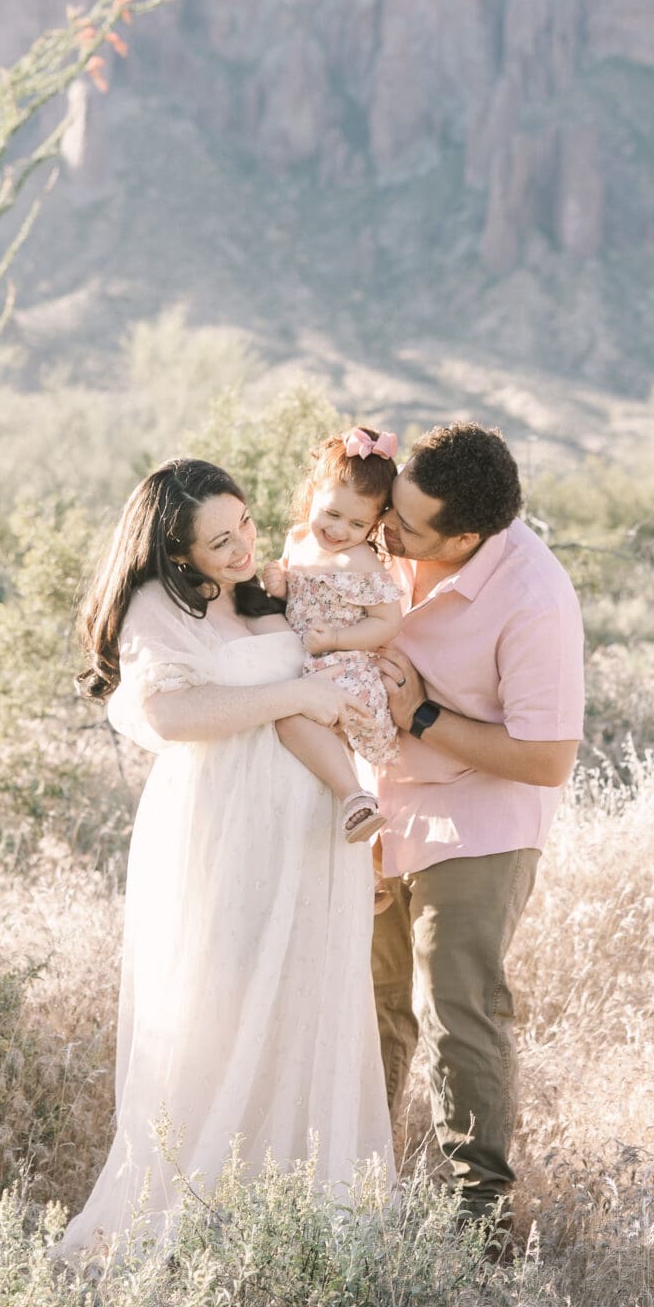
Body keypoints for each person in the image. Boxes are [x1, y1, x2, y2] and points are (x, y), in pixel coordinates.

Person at [58, 457, 393, 1259]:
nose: (243, 544)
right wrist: (295, 697)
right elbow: (168, 712)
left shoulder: (266, 590)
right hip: (225, 833)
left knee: (302, 1012)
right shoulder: (158, 604)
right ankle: (199, 1225)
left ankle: (300, 1225)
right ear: (179, 553)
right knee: (220, 1015)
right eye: (220, 540)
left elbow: (347, 647)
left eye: (244, 522)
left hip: (312, 839)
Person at [368, 422, 585, 1244]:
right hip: (377, 805)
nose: (389, 533)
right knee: (374, 1003)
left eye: (409, 528)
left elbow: (545, 756)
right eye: (391, 512)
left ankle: (479, 1219)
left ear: (466, 536)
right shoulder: (385, 534)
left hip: (480, 818)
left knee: (458, 1008)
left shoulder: (534, 596)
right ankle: (355, 1185)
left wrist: (419, 712)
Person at [261, 426, 404, 843]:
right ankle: (366, 872)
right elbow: (295, 599)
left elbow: (386, 623)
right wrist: (279, 584)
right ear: (312, 495)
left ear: (376, 522)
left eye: (358, 522)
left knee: (290, 720)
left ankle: (356, 801)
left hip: (346, 670)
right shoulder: (299, 540)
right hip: (306, 661)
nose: (340, 530)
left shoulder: (360, 562)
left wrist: (336, 640)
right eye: (332, 514)